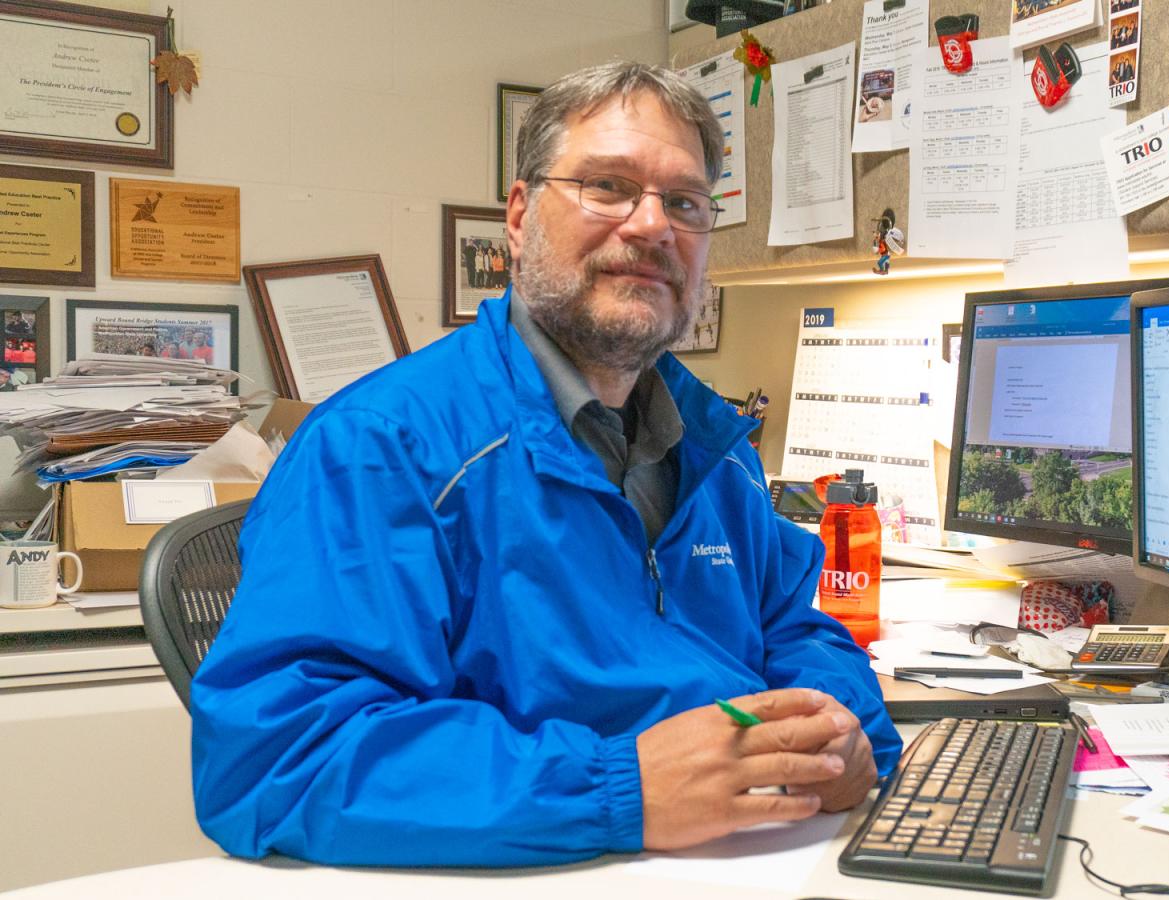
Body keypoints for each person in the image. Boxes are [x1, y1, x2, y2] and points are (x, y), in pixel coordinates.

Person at [190, 61, 900, 869]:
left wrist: (842, 734)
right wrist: (618, 787)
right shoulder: (382, 448)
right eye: (608, 186)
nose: (652, 226)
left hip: (760, 864)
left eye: (685, 202)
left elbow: (793, 630)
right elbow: (277, 760)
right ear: (521, 218)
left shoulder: (714, 446)